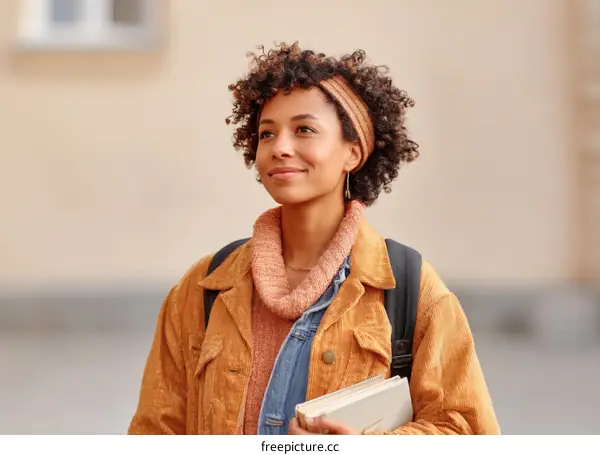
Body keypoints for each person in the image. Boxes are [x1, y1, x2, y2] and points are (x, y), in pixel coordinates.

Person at [127, 42, 501, 435]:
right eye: (267, 133)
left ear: (353, 153)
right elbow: (154, 431)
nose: (280, 147)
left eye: (304, 129)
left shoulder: (410, 289)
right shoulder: (204, 287)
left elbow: (468, 430)